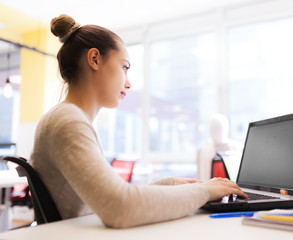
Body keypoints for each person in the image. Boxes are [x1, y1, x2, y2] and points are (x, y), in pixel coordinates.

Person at [30, 14, 247, 229]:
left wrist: (168, 184)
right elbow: (120, 207)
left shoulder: (68, 118)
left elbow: (111, 198)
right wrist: (205, 191)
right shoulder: (68, 121)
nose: (129, 83)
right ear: (94, 59)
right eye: (124, 67)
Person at [197, 114, 242, 181]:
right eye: (214, 128)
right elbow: (201, 177)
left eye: (220, 127)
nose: (217, 131)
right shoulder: (203, 151)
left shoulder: (238, 148)